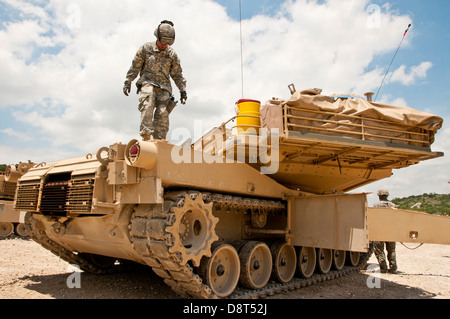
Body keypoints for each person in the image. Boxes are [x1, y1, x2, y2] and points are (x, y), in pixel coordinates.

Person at [123, 20, 187, 141]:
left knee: (163, 113)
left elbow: (177, 75)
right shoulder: (146, 48)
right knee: (148, 102)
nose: (165, 45)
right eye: (163, 41)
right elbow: (135, 66)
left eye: (168, 43)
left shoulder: (171, 54)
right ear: (157, 36)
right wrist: (128, 80)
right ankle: (146, 136)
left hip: (164, 88)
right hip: (148, 82)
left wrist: (183, 91)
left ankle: (159, 141)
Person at [373, 188, 398, 273]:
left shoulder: (376, 205)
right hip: (391, 231)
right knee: (391, 250)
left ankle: (383, 268)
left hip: (379, 230)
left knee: (379, 250)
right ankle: (393, 267)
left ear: (379, 196)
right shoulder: (393, 205)